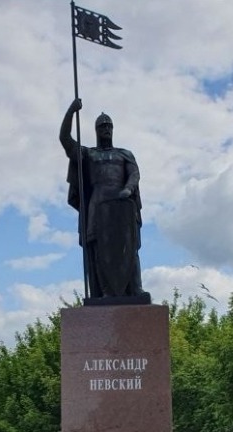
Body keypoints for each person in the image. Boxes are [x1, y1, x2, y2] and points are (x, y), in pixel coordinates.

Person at [59, 97, 147, 300]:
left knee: (130, 247)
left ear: (113, 129)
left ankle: (136, 288)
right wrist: (71, 111)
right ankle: (104, 292)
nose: (106, 129)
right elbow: (65, 139)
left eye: (109, 126)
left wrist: (127, 189)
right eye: (102, 126)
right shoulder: (88, 154)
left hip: (122, 205)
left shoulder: (124, 154)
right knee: (98, 249)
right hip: (97, 207)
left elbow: (134, 174)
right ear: (96, 130)